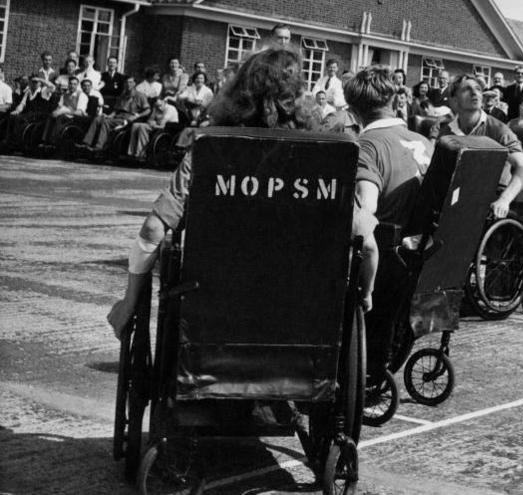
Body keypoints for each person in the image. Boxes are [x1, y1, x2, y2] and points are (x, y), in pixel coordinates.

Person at [106, 48, 333, 338]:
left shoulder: (210, 150)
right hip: (297, 308)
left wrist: (129, 303)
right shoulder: (323, 156)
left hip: (215, 304)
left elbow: (152, 230)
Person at [348, 64, 434, 315]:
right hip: (423, 256)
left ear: (353, 112)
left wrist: (366, 289)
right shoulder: (424, 142)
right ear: (393, 100)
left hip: (386, 267)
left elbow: (366, 215)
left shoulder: (366, 147)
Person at [440, 74, 523, 219]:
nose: (474, 92)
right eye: (466, 89)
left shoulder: (498, 129)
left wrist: (504, 200)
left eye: (477, 89)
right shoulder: (446, 131)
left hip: (490, 195)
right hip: (458, 193)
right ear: (454, 100)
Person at [81, 76, 150, 151]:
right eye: (126, 83)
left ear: (134, 84)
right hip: (118, 116)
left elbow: (147, 110)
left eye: (130, 82)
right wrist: (109, 116)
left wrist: (137, 116)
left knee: (106, 122)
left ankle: (98, 147)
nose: (128, 85)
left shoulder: (140, 96)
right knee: (98, 119)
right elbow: (116, 110)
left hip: (128, 118)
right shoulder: (122, 95)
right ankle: (86, 143)